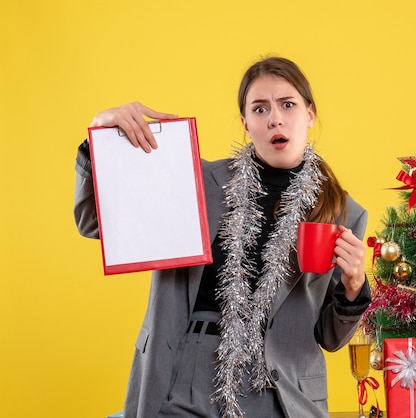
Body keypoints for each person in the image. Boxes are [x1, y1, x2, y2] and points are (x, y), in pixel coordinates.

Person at [73, 56, 371, 418]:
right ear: (246, 124)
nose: (275, 118)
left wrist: (354, 287)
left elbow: (329, 337)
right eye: (260, 109)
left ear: (309, 114)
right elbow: (94, 222)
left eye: (287, 105)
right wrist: (98, 136)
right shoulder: (196, 182)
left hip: (280, 391)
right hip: (186, 371)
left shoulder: (344, 212)